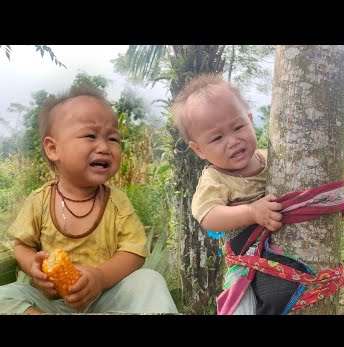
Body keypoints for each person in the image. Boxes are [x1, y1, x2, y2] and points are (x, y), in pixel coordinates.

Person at [0, 86, 178, 314]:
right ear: (53, 148)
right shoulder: (40, 201)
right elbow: (22, 245)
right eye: (90, 136)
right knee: (5, 296)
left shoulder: (116, 202)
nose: (104, 147)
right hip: (52, 305)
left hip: (107, 300)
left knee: (149, 280)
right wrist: (33, 265)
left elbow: (134, 253)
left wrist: (100, 278)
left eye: (113, 138)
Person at [172, 73, 284, 315]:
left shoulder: (273, 159)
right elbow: (208, 215)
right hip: (245, 264)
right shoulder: (215, 179)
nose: (233, 141)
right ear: (199, 149)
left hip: (283, 253)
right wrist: (252, 212)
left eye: (238, 127)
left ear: (251, 120)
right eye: (217, 137)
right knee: (240, 308)